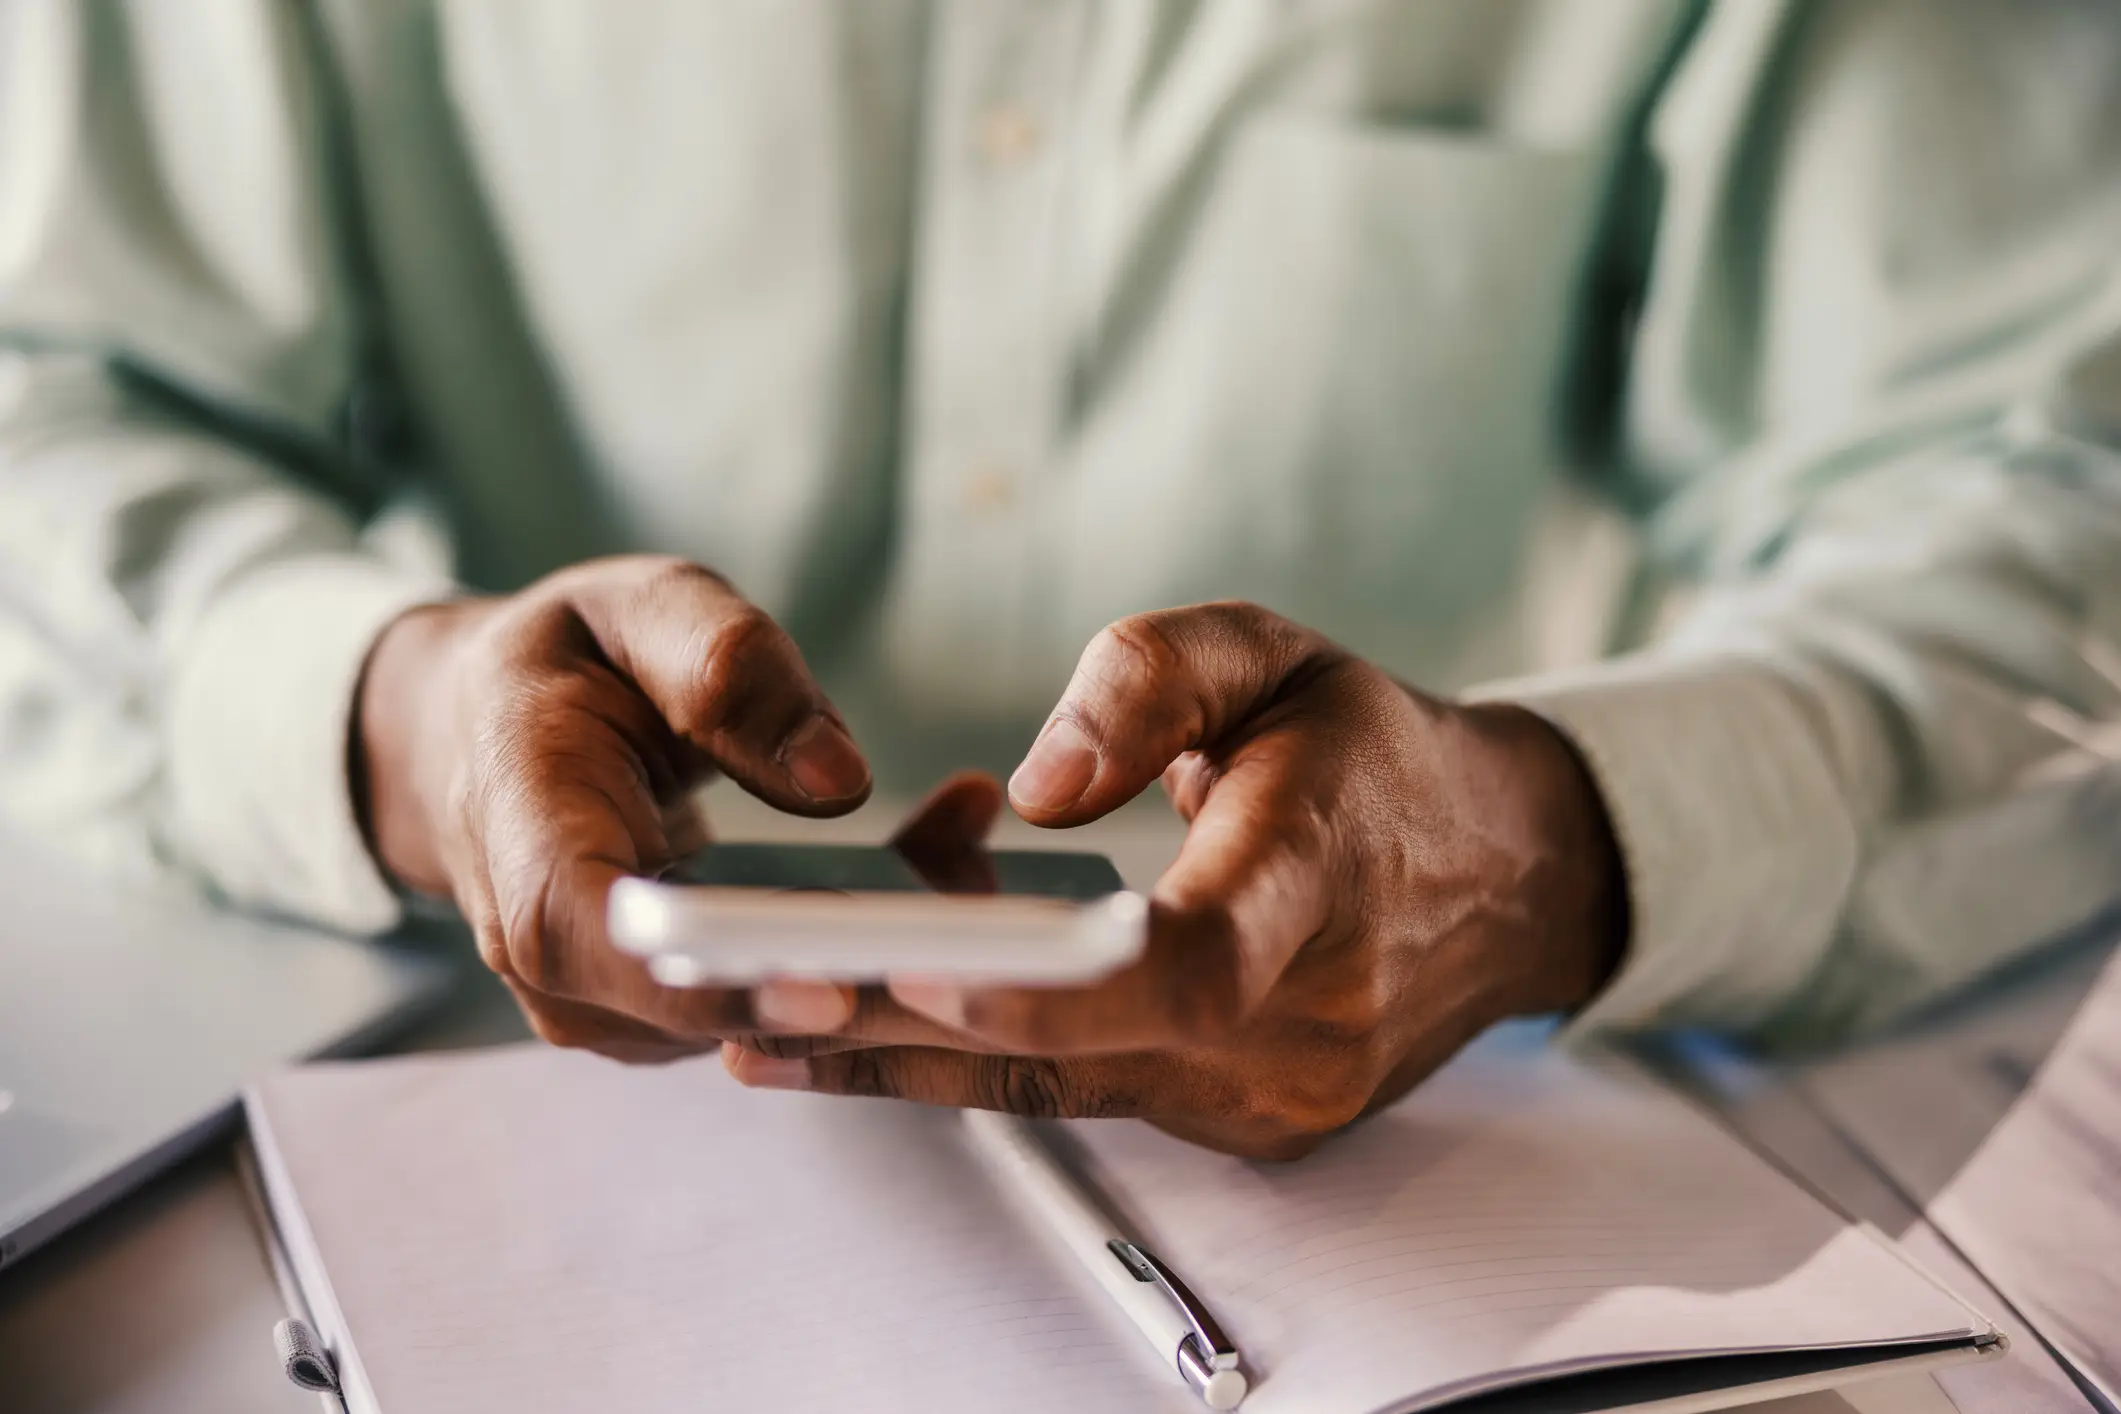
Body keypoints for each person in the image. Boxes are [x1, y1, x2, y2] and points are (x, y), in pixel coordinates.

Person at [3, 1, 2119, 1159]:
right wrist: (390, 719)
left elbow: (2037, 487)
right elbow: (51, 394)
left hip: (1460, 1146)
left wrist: (1546, 845)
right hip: (442, 1120)